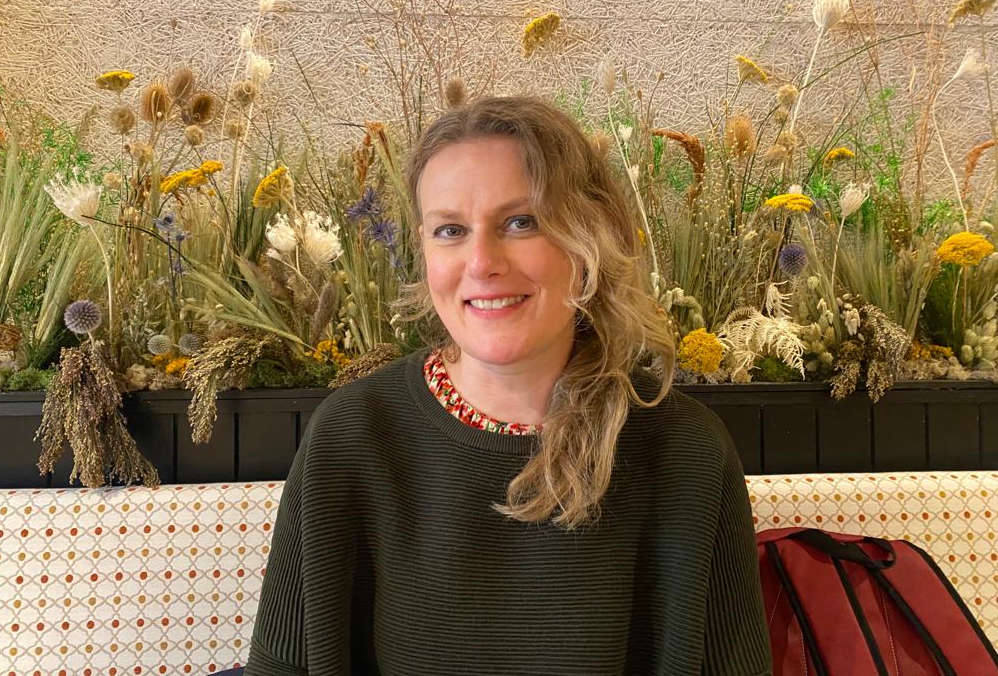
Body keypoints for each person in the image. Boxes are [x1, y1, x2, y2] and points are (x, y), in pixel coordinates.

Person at [239, 95, 772, 675]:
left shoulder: (687, 451)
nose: (481, 262)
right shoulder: (351, 437)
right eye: (450, 230)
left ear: (589, 236)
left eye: (521, 222)